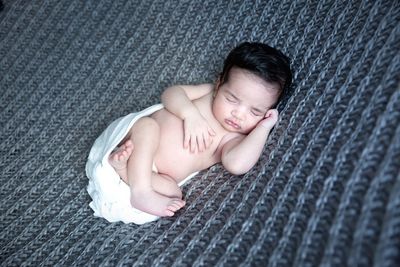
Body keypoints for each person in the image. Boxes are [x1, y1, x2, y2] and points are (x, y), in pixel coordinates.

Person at [107, 42, 292, 218]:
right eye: (232, 99)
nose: (239, 114)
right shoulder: (207, 93)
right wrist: (190, 114)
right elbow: (171, 93)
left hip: (156, 175)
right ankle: (141, 192)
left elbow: (237, 165)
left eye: (255, 111)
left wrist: (263, 128)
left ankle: (125, 172)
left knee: (174, 192)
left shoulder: (232, 138)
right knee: (147, 127)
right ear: (219, 84)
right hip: (135, 142)